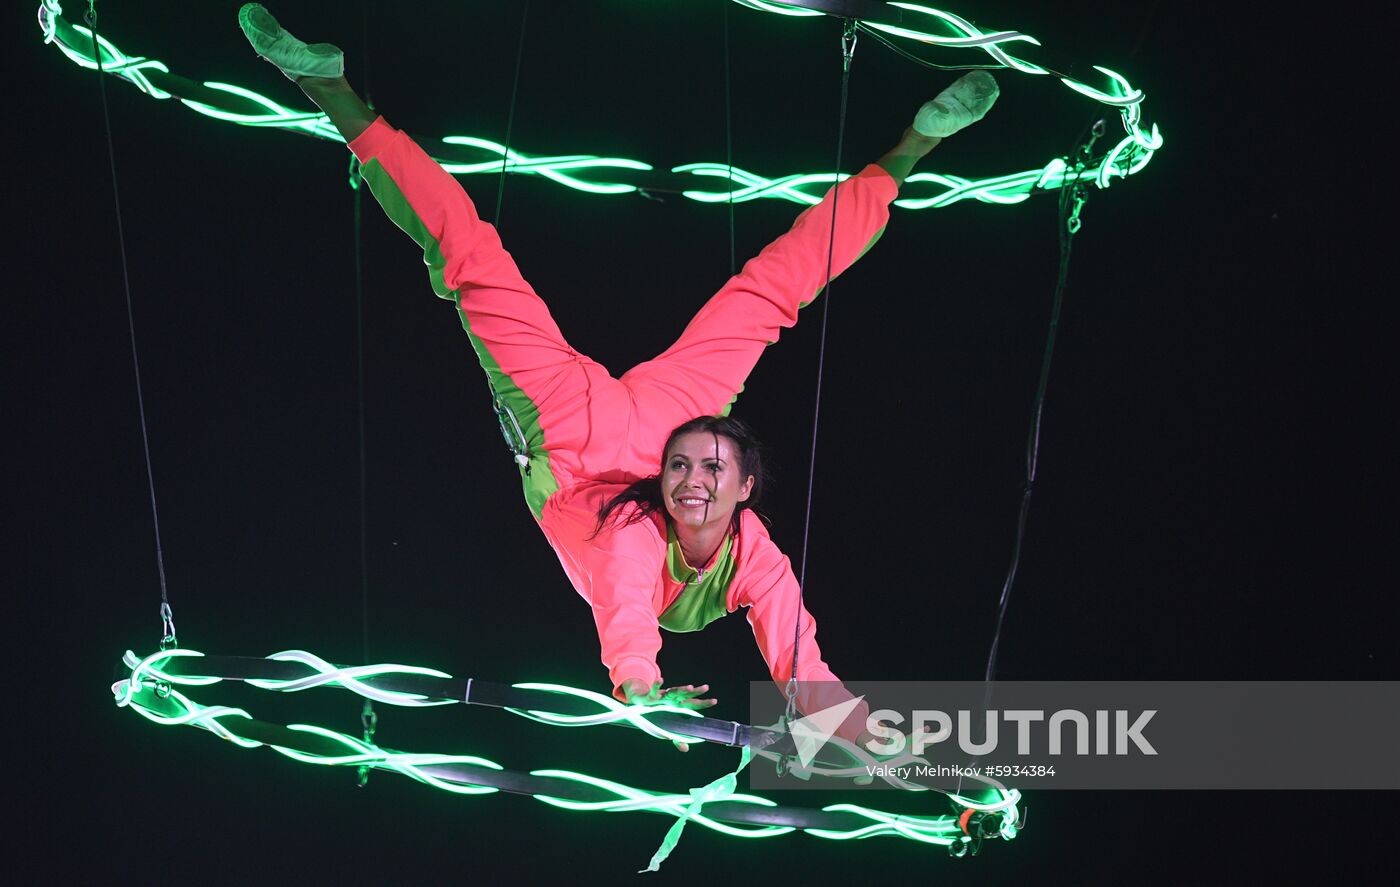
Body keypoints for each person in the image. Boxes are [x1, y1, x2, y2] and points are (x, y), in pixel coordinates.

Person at [237, 4, 998, 750]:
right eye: (695, 470)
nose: (693, 483)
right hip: (671, 420)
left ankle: (330, 88)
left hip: (574, 446)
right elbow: (785, 666)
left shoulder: (654, 537)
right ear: (736, 484)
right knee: (769, 292)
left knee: (474, 263)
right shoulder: (722, 522)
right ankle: (914, 145)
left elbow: (722, 640)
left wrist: (641, 686)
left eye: (706, 473)